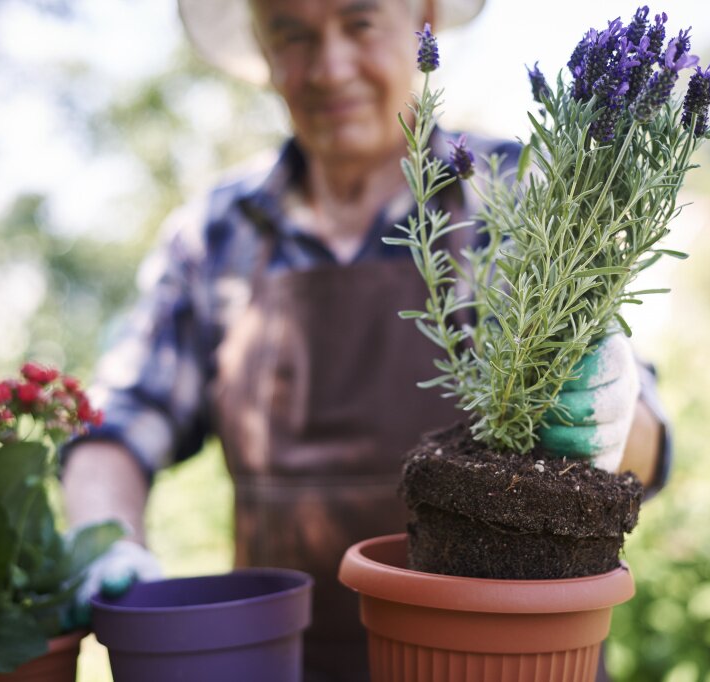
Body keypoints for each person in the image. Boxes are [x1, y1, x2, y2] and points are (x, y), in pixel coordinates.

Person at [62, 1, 671, 680]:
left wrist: (604, 416)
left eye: (360, 23)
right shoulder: (216, 233)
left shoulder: (521, 194)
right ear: (262, 49)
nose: (330, 68)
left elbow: (648, 447)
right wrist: (104, 535)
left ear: (425, 23)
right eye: (292, 34)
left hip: (498, 656)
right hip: (290, 661)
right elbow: (119, 416)